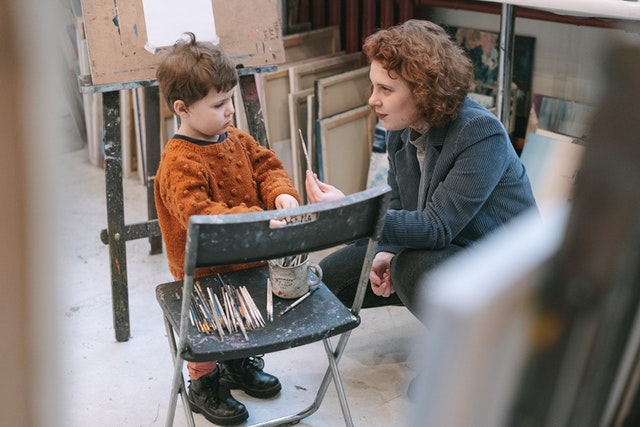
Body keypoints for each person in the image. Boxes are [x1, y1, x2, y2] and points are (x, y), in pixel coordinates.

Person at [305, 19, 537, 317]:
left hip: (504, 271)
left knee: (411, 268)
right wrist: (387, 249)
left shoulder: (480, 132)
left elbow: (437, 228)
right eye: (373, 86)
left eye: (386, 89)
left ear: (424, 91)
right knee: (331, 276)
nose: (372, 100)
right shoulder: (398, 130)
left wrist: (351, 212)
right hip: (448, 252)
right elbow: (401, 204)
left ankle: (477, 353)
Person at [154, 33, 300, 426]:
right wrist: (256, 218)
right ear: (182, 109)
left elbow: (266, 166)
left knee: (243, 315)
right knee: (210, 324)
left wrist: (281, 193)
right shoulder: (179, 161)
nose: (231, 110)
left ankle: (238, 366)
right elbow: (200, 213)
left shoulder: (235, 136)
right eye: (219, 104)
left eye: (232, 99)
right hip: (202, 269)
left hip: (246, 258)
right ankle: (204, 383)